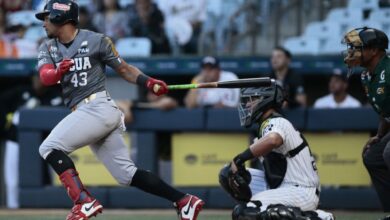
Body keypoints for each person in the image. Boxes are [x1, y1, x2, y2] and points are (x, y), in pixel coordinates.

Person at [34, 1, 204, 220]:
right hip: (87, 112)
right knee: (126, 175)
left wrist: (149, 82)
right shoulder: (47, 47)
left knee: (49, 147)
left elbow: (124, 69)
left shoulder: (97, 40)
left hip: (97, 107)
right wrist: (57, 71)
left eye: (47, 17)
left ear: (60, 17)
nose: (44, 23)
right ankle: (183, 200)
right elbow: (45, 76)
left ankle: (84, 202)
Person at [219, 83, 333, 220]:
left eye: (252, 100)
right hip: (282, 185)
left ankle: (316, 218)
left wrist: (240, 159)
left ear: (264, 100)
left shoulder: (278, 121)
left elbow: (273, 139)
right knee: (228, 174)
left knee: (246, 213)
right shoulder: (264, 127)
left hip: (302, 190)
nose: (247, 105)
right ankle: (260, 206)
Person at [343, 27, 390, 217]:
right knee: (373, 156)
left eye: (357, 47)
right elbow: (385, 111)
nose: (351, 52)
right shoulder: (366, 76)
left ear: (374, 50)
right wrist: (379, 135)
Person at [1, 75, 63, 209]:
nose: (39, 81)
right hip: (16, 140)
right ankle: (13, 208)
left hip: (47, 144)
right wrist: (8, 120)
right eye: (36, 78)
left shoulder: (54, 95)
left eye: (42, 78)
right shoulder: (20, 92)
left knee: (53, 178)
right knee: (12, 179)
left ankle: (52, 207)